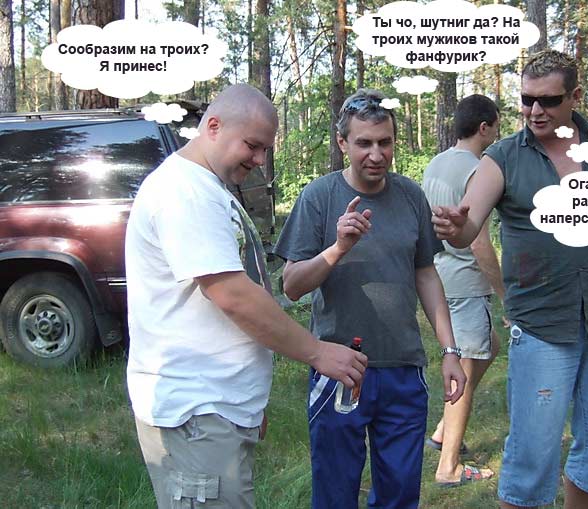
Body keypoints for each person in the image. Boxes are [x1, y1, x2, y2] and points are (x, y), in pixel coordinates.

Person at [431, 50, 588, 508]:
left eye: (548, 100)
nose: (535, 111)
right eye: (527, 100)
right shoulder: (503, 157)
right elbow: (468, 225)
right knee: (532, 455)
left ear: (575, 96)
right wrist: (455, 227)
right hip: (542, 325)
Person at [125, 84, 367, 509]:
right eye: (252, 146)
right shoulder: (185, 192)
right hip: (195, 409)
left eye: (264, 149)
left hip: (215, 407)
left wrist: (246, 401)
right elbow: (231, 295)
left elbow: (239, 291)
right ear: (213, 127)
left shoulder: (207, 189)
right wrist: (316, 352)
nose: (258, 160)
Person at [274, 88, 466, 509]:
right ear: (343, 143)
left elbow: (425, 273)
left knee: (400, 494)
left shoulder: (410, 195)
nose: (376, 155)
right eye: (364, 143)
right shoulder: (319, 197)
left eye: (385, 142)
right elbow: (292, 286)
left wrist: (450, 351)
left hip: (403, 368)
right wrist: (338, 248)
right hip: (339, 368)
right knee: (335, 492)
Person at [421, 94, 506, 486]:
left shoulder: (438, 162)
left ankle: (443, 432)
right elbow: (479, 242)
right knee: (464, 377)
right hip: (465, 285)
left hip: (439, 280)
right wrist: (505, 294)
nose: (498, 133)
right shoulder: (478, 170)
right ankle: (449, 467)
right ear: (484, 128)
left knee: (490, 346)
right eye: (497, 125)